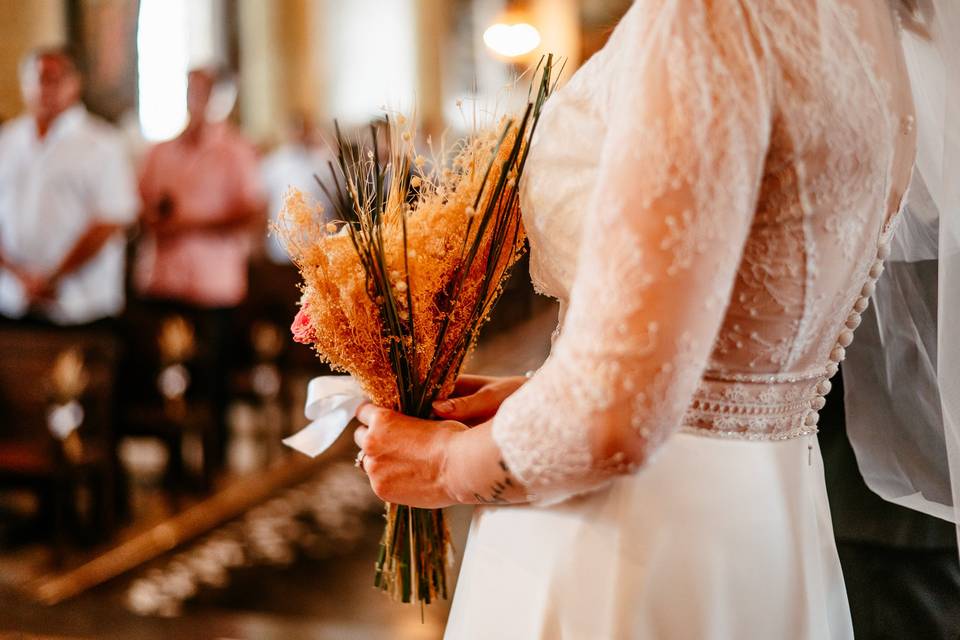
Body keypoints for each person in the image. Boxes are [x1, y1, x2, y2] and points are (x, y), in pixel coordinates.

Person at [352, 1, 925, 637]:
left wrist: (440, 466)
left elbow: (610, 421)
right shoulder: (869, 22)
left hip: (628, 539)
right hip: (768, 517)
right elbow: (736, 349)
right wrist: (549, 390)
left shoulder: (711, 15)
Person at [135, 67, 265, 476]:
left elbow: (251, 211)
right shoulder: (159, 152)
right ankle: (173, 459)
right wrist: (158, 219)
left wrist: (192, 224)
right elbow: (144, 207)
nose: (196, 99)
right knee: (171, 373)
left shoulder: (235, 150)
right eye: (190, 91)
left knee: (213, 374)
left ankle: (214, 459)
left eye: (203, 92)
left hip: (214, 282)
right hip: (166, 278)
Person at [0, 47, 138, 327]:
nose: (43, 88)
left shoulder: (103, 143)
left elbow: (110, 221)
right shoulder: (8, 140)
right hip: (13, 297)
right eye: (36, 79)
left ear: (75, 83)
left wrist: (52, 277)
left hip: (80, 303)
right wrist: (18, 274)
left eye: (53, 78)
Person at [260, 113, 334, 263]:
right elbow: (263, 203)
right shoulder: (272, 164)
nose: (297, 133)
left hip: (315, 245)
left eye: (302, 129)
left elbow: (329, 204)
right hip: (281, 246)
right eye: (293, 129)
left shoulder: (320, 164)